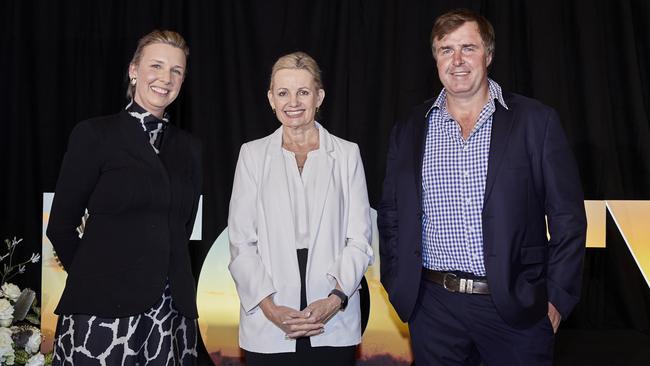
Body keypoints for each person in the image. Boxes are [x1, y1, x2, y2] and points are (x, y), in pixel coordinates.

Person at [378, 9, 587, 366]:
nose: (457, 60)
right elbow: (392, 214)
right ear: (435, 58)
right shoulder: (411, 128)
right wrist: (400, 286)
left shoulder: (536, 122)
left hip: (515, 308)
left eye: (468, 48)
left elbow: (568, 218)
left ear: (488, 55)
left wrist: (557, 299)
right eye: (446, 50)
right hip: (433, 308)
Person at [46, 30, 201, 365]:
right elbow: (60, 226)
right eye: (156, 66)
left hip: (171, 315)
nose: (165, 78)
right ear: (134, 70)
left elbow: (180, 228)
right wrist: (98, 277)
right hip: (100, 313)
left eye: (176, 70)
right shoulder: (94, 135)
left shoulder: (190, 148)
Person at [228, 51, 373, 366]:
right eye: (283, 93)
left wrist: (335, 300)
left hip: (333, 316)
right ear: (271, 99)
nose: (292, 102)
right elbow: (241, 243)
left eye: (303, 92)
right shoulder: (251, 156)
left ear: (319, 96)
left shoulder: (347, 155)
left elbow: (359, 239)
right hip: (268, 317)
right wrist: (271, 310)